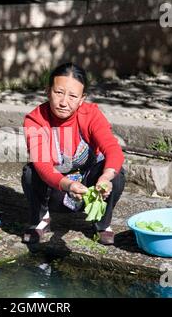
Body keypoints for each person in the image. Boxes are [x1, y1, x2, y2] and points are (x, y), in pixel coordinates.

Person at [21, 62, 126, 245]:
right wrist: (69, 185)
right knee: (30, 172)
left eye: (72, 96)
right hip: (57, 190)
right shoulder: (36, 120)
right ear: (48, 91)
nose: (63, 102)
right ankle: (41, 219)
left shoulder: (90, 114)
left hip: (90, 190)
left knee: (116, 172)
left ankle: (101, 223)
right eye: (59, 93)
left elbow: (112, 149)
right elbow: (43, 166)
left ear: (81, 99)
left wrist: (105, 178)